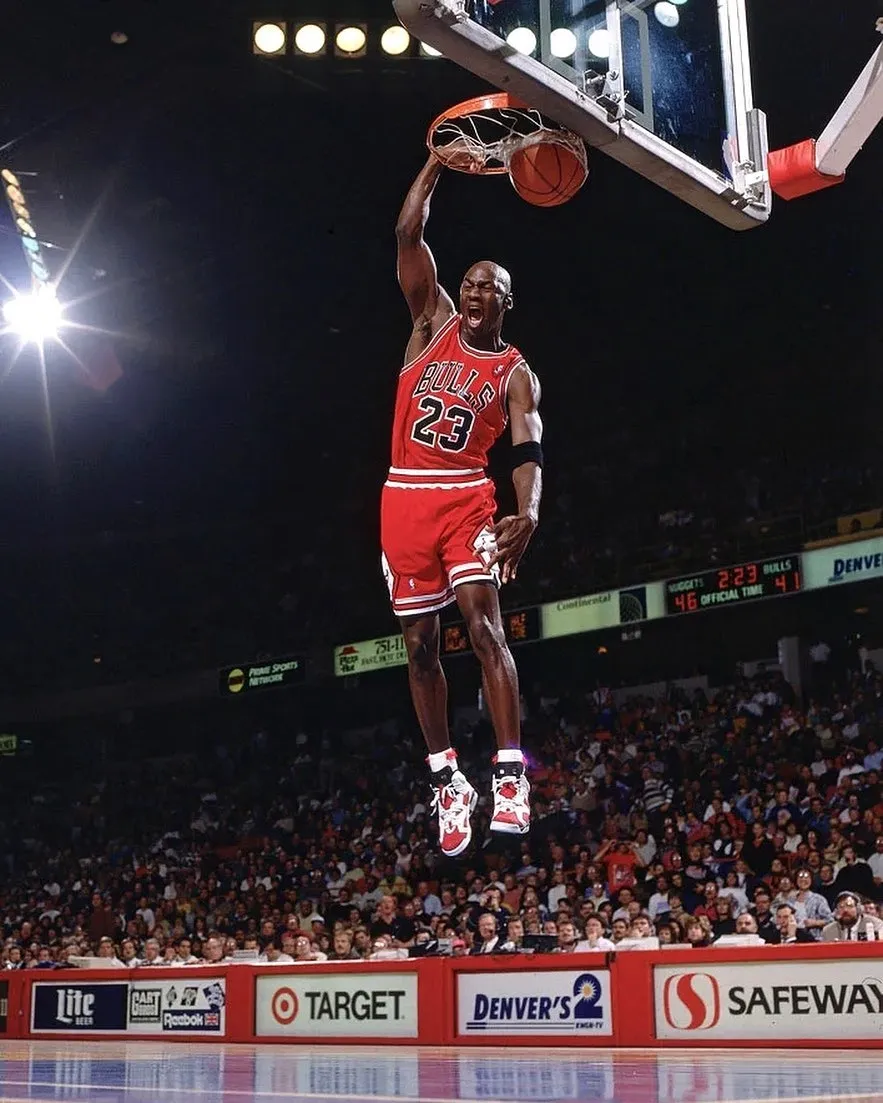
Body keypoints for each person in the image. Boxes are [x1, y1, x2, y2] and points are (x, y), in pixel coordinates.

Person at [383, 153, 543, 857]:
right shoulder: (431, 320)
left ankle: (510, 775)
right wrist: (436, 160)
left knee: (484, 629)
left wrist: (528, 511)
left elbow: (528, 448)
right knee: (419, 648)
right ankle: (448, 780)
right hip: (403, 498)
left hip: (466, 501)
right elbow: (406, 232)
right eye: (471, 281)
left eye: (490, 287)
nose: (476, 291)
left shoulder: (515, 372)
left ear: (506, 303)